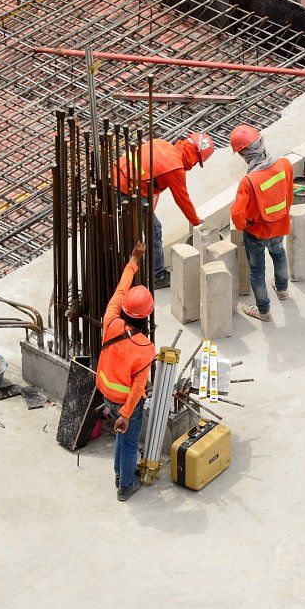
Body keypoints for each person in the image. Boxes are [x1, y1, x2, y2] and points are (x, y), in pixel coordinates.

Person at [94, 244, 157, 501]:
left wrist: (133, 260)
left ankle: (119, 473)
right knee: (130, 442)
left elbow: (121, 290)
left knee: (121, 433)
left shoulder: (111, 321)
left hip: (105, 391)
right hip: (124, 401)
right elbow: (138, 388)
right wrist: (127, 415)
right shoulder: (145, 348)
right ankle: (125, 486)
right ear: (147, 316)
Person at [115, 132, 213, 288]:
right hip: (128, 190)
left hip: (117, 176)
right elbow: (182, 200)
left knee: (135, 225)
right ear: (194, 154)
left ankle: (133, 261)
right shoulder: (175, 168)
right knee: (154, 230)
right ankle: (157, 276)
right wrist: (196, 222)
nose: (194, 166)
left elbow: (151, 177)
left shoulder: (163, 145)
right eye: (196, 162)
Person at [230, 125, 292, 322]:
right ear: (261, 142)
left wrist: (245, 226)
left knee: (257, 271)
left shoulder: (249, 181)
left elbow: (236, 213)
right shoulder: (284, 164)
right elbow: (289, 193)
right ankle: (282, 290)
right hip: (279, 225)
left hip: (256, 232)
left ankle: (263, 311)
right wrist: (282, 214)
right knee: (279, 253)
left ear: (242, 154)